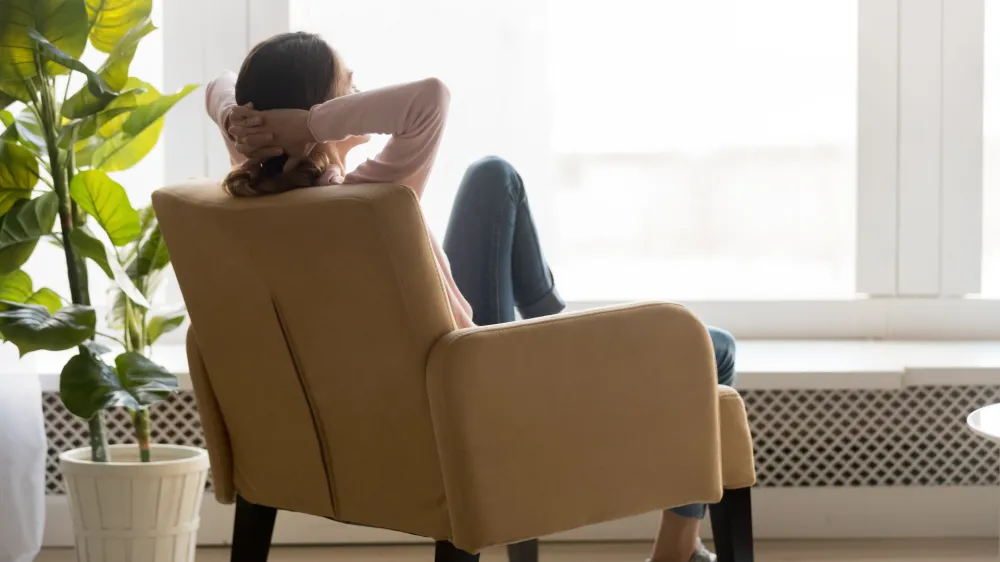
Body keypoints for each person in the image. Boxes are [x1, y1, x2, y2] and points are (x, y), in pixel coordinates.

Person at [206, 31, 736, 562]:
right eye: (346, 92)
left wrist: (245, 122)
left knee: (493, 176)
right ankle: (677, 548)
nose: (357, 98)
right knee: (713, 350)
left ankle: (560, 325)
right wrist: (312, 122)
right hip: (477, 386)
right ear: (319, 114)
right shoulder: (368, 200)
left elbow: (218, 86)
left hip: (420, 384)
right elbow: (430, 97)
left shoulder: (255, 195)